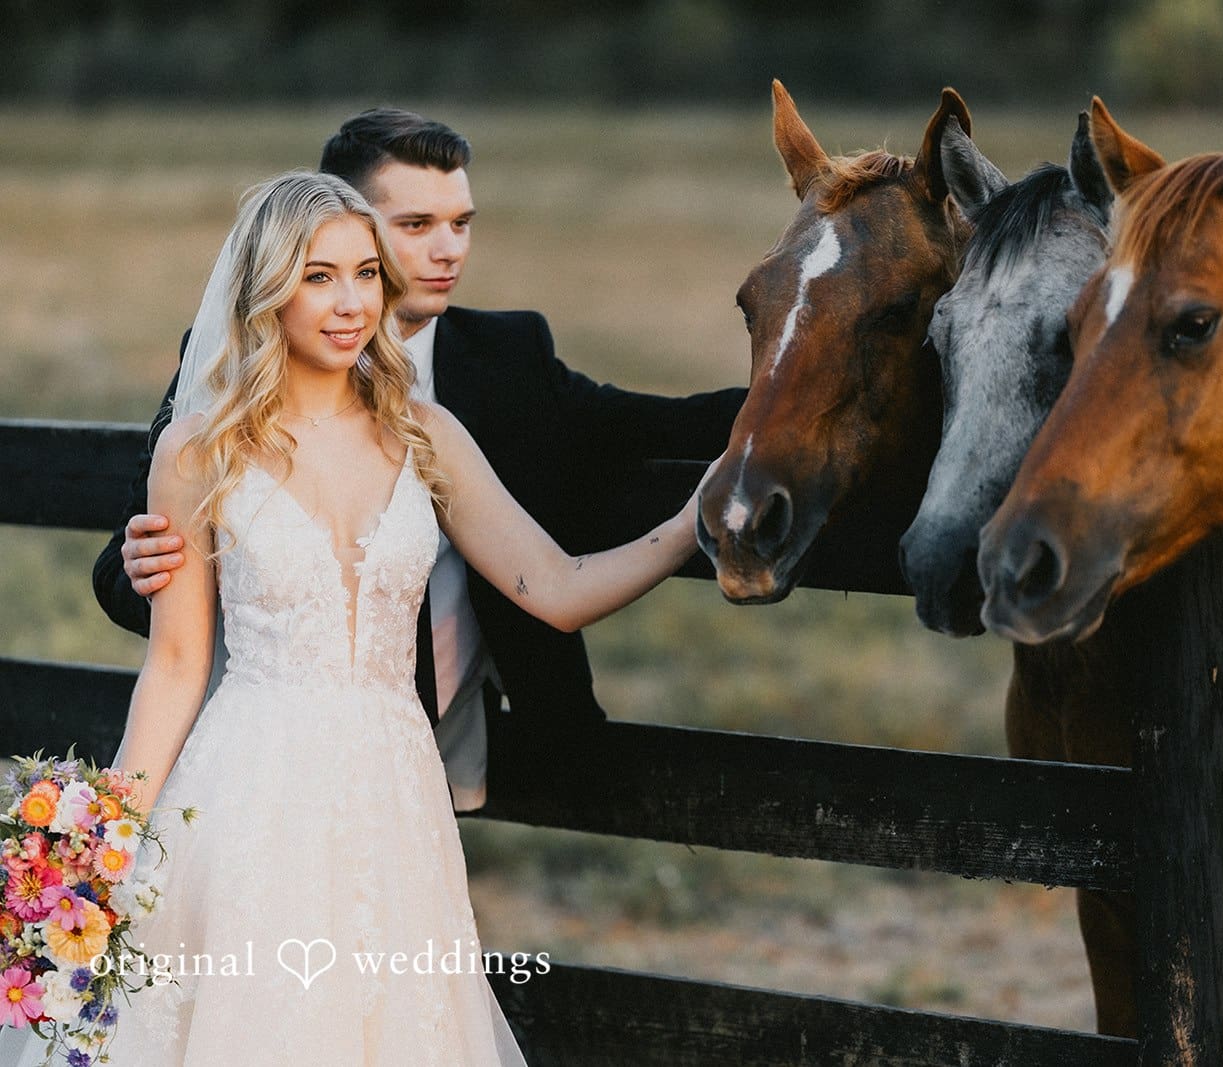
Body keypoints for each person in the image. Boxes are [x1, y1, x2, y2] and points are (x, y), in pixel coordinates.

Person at [8, 171, 719, 1064]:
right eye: (318, 276)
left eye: (366, 274)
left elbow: (559, 587)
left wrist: (697, 520)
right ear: (268, 288)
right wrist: (99, 847)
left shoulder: (426, 433)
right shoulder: (200, 451)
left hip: (393, 788)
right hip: (250, 787)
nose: (350, 303)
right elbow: (178, 665)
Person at [92, 109, 744, 814]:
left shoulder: (468, 393)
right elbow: (164, 641)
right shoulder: (211, 409)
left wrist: (793, 419)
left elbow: (632, 451)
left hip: (413, 760)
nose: (447, 250)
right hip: (259, 759)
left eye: (461, 223)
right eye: (415, 226)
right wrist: (149, 565)